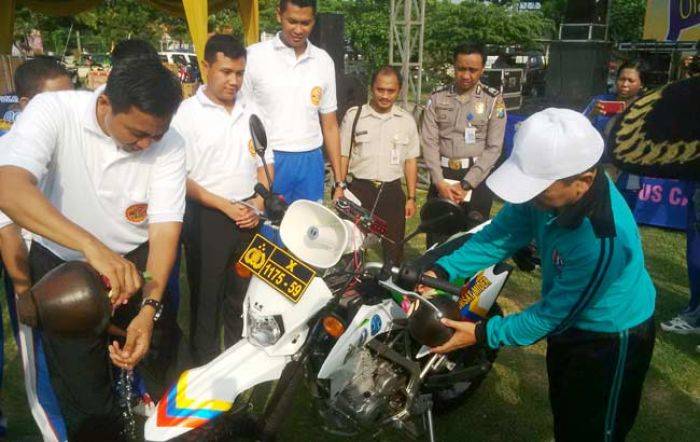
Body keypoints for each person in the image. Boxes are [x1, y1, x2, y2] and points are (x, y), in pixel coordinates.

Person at [419, 108, 656, 441]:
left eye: (539, 190)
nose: (529, 198)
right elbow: (499, 236)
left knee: (593, 429)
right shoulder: (544, 193)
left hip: (609, 336)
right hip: (569, 322)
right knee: (566, 413)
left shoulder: (601, 239)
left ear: (583, 181)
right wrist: (442, 268)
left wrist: (483, 334)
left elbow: (550, 317)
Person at [0, 57, 184, 441]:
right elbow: (8, 186)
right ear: (105, 105)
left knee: (154, 378)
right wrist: (90, 246)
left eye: (157, 135)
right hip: (64, 271)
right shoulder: (54, 111)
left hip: (137, 267)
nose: (147, 144)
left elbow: (165, 230)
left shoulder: (171, 143)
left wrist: (148, 311)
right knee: (86, 401)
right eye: (137, 133)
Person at [172, 34, 273, 365]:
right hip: (207, 218)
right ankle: (203, 370)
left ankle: (237, 364)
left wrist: (257, 205)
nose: (233, 81)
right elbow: (178, 176)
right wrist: (223, 205)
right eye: (226, 71)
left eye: (240, 73)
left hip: (249, 216)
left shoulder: (251, 110)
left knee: (241, 299)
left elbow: (265, 164)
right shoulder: (186, 114)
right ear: (205, 67)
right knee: (206, 300)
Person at [0, 56, 73, 440]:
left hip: (72, 266)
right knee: (43, 360)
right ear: (27, 106)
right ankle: (55, 434)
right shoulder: (8, 152)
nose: (69, 109)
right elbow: (9, 232)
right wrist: (24, 292)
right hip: (34, 271)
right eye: (56, 102)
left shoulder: (73, 142)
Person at [242, 0, 345, 218]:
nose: (298, 30)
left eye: (305, 23)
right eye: (292, 21)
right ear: (279, 15)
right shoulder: (254, 57)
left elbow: (330, 125)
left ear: (314, 21)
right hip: (268, 160)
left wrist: (339, 181)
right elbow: (240, 118)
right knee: (268, 233)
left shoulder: (323, 61)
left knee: (307, 233)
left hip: (310, 162)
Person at [421, 43, 506, 247]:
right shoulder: (437, 97)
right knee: (437, 239)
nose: (466, 75)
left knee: (473, 241)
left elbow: (494, 148)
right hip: (442, 176)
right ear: (454, 66)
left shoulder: (493, 100)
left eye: (472, 70)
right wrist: (439, 182)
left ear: (482, 69)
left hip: (475, 178)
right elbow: (429, 141)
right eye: (461, 68)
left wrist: (466, 184)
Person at [340, 66, 419, 264]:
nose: (385, 95)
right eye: (380, 89)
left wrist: (411, 197)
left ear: (399, 90)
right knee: (351, 245)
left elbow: (410, 161)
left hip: (391, 190)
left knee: (394, 246)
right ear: (371, 88)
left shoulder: (407, 121)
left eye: (390, 91)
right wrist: (339, 187)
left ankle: (389, 288)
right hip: (358, 189)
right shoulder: (354, 116)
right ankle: (350, 287)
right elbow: (343, 155)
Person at [583, 60, 647, 209]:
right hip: (602, 167)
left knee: (626, 206)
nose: (624, 84)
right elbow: (578, 126)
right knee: (599, 207)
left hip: (632, 170)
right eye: (621, 79)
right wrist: (592, 114)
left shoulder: (645, 107)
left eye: (631, 80)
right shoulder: (600, 101)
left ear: (641, 84)